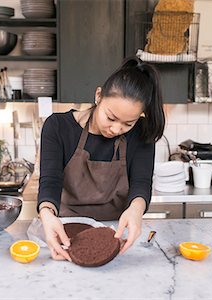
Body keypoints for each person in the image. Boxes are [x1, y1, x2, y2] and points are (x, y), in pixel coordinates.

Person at [37, 56, 165, 261]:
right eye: (111, 117)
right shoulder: (58, 127)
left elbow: (141, 183)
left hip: (116, 232)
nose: (116, 129)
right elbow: (50, 181)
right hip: (65, 230)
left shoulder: (142, 132)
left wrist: (136, 210)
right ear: (98, 96)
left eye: (127, 124)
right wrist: (47, 215)